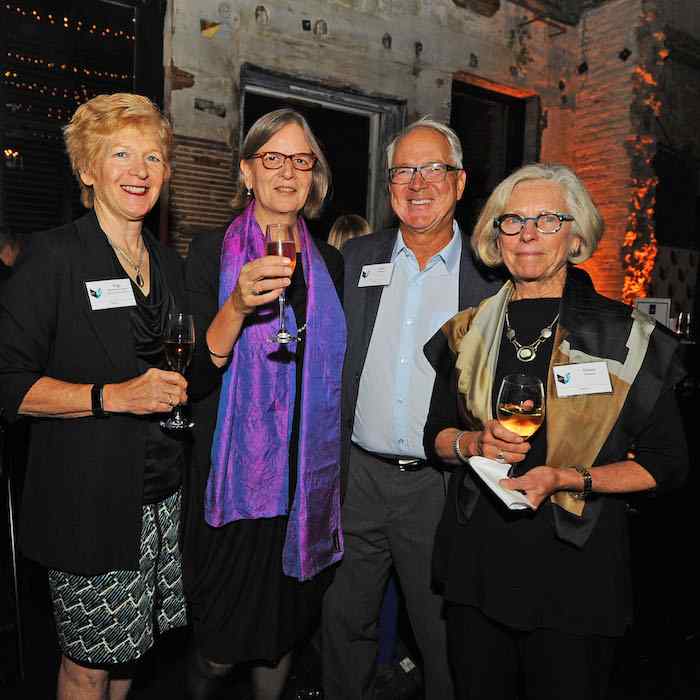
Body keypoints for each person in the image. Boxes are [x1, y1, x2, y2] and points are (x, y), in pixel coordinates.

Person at [423, 163, 688, 700]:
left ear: (575, 235)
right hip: (478, 565)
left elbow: (665, 465)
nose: (526, 234)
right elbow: (436, 438)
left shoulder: (627, 338)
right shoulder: (466, 331)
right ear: (494, 236)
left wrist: (568, 477)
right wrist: (471, 443)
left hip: (575, 570)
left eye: (547, 219)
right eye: (512, 220)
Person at [0, 93, 188, 699]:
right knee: (88, 666)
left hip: (159, 498)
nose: (140, 170)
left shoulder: (165, 262)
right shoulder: (53, 257)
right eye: (122, 154)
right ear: (87, 169)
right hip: (86, 500)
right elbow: (10, 384)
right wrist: (115, 397)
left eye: (153, 156)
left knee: (129, 657)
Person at [322, 117, 501, 700]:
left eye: (433, 168)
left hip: (440, 486)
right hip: (357, 478)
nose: (417, 182)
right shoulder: (355, 260)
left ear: (460, 181)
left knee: (441, 635)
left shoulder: (490, 274)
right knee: (342, 624)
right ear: (389, 183)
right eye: (403, 170)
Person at [183, 108, 345, 700]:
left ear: (314, 176)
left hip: (305, 480)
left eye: (301, 160)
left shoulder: (329, 263)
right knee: (219, 649)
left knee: (281, 637)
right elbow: (193, 374)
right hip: (232, 476)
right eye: (272, 158)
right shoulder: (207, 253)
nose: (287, 171)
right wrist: (237, 307)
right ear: (248, 171)